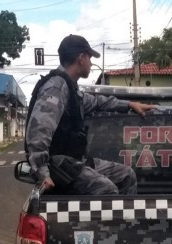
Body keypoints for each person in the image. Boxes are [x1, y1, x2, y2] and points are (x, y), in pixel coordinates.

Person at [25, 34, 155, 195]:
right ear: (81, 58)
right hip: (57, 164)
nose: (91, 63)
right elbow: (38, 132)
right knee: (107, 190)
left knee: (127, 176)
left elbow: (96, 102)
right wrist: (43, 173)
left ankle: (126, 220)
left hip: (74, 160)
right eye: (90, 58)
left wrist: (129, 104)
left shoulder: (70, 89)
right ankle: (104, 221)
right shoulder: (56, 87)